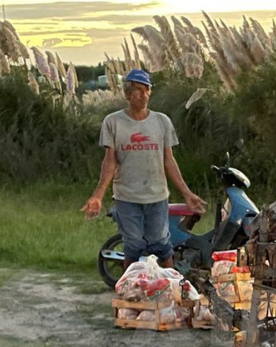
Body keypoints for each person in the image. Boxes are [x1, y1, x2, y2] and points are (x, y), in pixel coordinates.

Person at [81, 68, 205, 270]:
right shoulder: (113, 122)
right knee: (134, 245)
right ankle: (129, 288)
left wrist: (187, 193)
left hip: (156, 196)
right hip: (127, 197)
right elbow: (110, 161)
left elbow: (169, 161)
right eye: (138, 90)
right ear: (128, 94)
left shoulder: (161, 121)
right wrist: (98, 195)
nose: (144, 94)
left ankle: (167, 285)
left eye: (147, 89)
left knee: (162, 244)